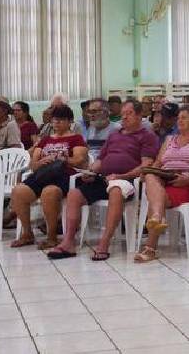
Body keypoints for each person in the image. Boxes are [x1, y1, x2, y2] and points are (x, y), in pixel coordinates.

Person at [48, 100, 159, 260]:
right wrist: (91, 171)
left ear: (140, 115)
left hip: (127, 181)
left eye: (129, 114)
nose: (125, 117)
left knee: (115, 189)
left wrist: (120, 176)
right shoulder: (114, 135)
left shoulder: (147, 136)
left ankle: (104, 243)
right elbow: (100, 160)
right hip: (103, 178)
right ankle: (68, 242)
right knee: (74, 194)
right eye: (123, 114)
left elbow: (145, 166)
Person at [135, 107, 189, 262]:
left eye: (184, 117)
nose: (179, 121)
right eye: (178, 118)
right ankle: (158, 217)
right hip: (164, 179)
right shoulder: (169, 140)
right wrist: (151, 171)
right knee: (151, 175)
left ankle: (151, 247)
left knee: (155, 199)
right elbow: (158, 162)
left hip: (186, 184)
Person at [10, 105, 88, 250]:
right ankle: (27, 233)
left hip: (64, 177)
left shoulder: (76, 138)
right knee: (18, 191)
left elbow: (79, 160)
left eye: (60, 121)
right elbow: (32, 164)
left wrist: (62, 158)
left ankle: (52, 237)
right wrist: (40, 162)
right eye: (54, 121)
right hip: (42, 174)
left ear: (69, 121)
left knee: (49, 192)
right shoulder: (45, 140)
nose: (56, 124)